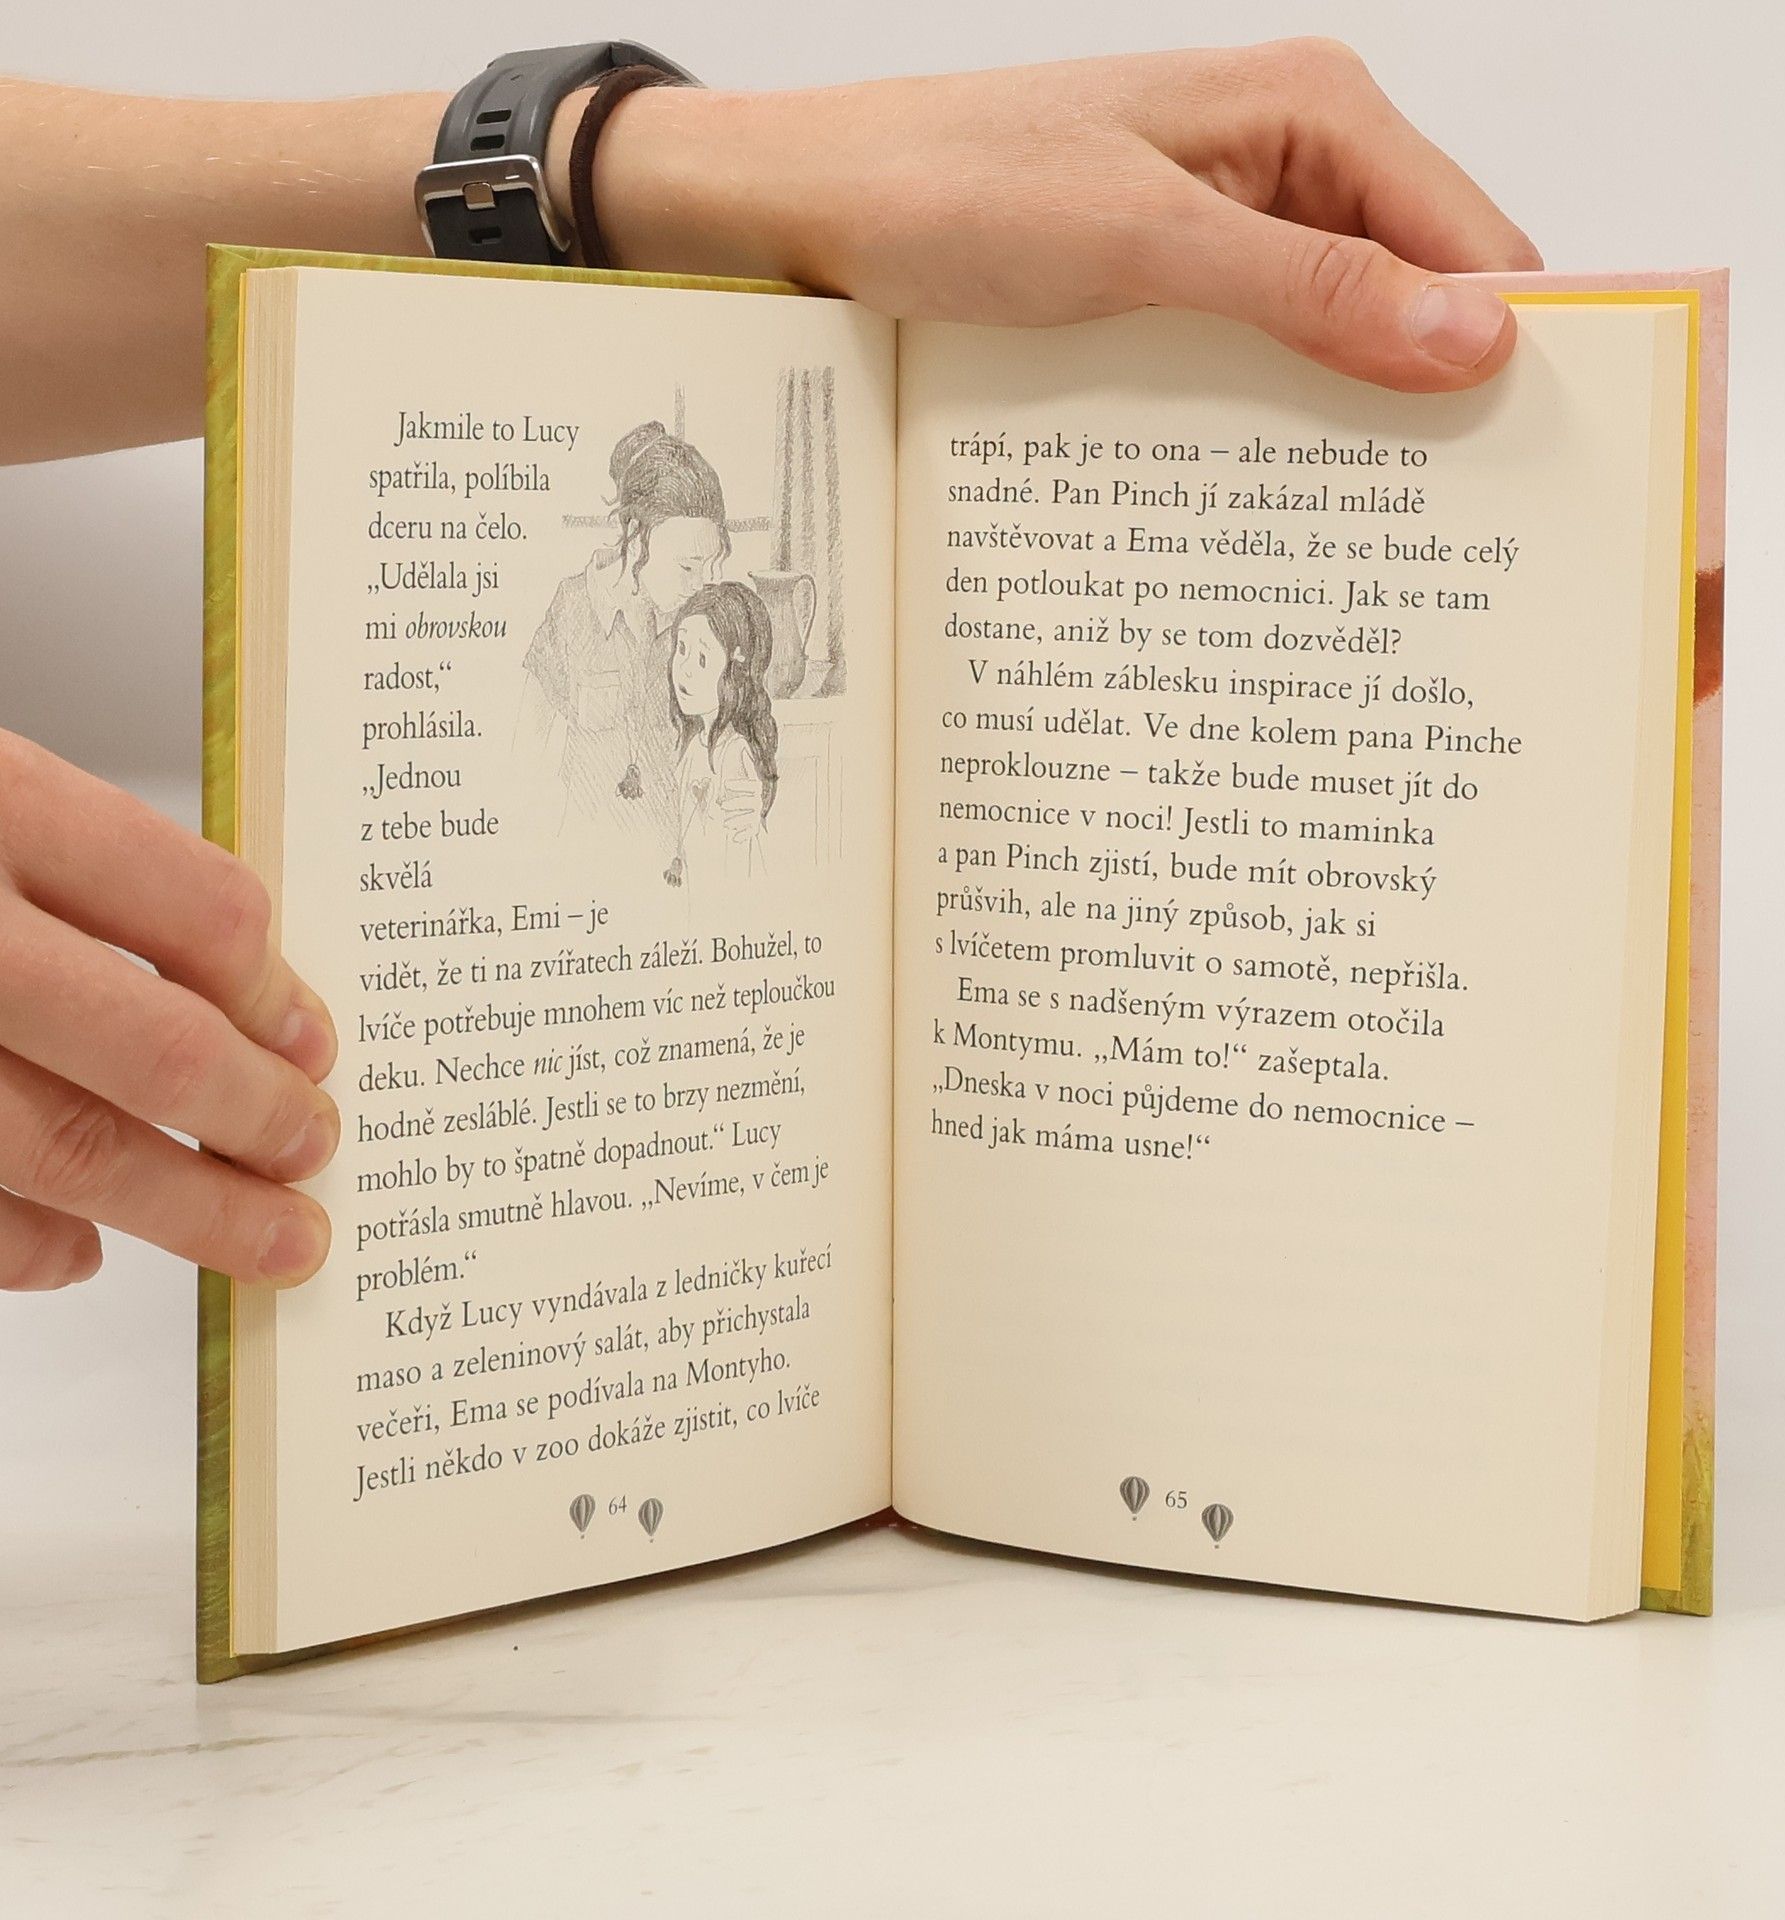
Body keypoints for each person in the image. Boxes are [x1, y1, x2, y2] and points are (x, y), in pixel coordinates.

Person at [0, 42, 1542, 1294]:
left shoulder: (718, 694)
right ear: (628, 548)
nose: (705, 595)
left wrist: (652, 170)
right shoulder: (567, 647)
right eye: (684, 569)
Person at [518, 422, 729, 857]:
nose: (700, 585)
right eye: (687, 567)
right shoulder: (573, 605)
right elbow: (526, 748)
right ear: (635, 536)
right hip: (586, 855)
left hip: (676, 860)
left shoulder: (698, 622)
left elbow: (733, 734)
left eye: (709, 566)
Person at [662, 582, 782, 891]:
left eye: (702, 658)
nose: (685, 669)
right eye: (682, 649)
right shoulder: (695, 743)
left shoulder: (734, 754)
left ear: (734, 674)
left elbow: (740, 863)